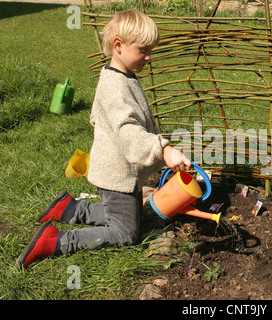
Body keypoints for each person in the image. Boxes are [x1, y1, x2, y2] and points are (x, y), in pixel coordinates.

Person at [16, 10, 191, 268]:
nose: (149, 57)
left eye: (150, 50)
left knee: (128, 217)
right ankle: (56, 241)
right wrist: (163, 150)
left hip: (119, 171)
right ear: (118, 45)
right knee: (125, 233)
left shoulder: (120, 75)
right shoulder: (116, 86)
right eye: (143, 50)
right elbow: (127, 132)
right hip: (117, 177)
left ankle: (70, 209)